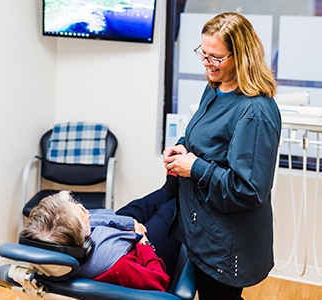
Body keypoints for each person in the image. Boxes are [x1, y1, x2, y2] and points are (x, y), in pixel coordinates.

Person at [163, 12, 281, 300]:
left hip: (228, 241)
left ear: (240, 56)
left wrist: (195, 167)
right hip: (203, 227)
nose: (207, 63)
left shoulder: (255, 112)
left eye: (215, 57)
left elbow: (249, 189)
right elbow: (204, 137)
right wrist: (183, 147)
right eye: (203, 54)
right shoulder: (216, 88)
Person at [20, 175, 180, 292]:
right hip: (139, 250)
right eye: (83, 213)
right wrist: (143, 241)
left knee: (139, 207)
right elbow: (159, 281)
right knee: (170, 210)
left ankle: (168, 189)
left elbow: (95, 218)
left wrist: (130, 223)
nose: (87, 212)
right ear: (84, 237)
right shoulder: (118, 265)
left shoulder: (56, 238)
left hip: (112, 236)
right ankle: (181, 194)